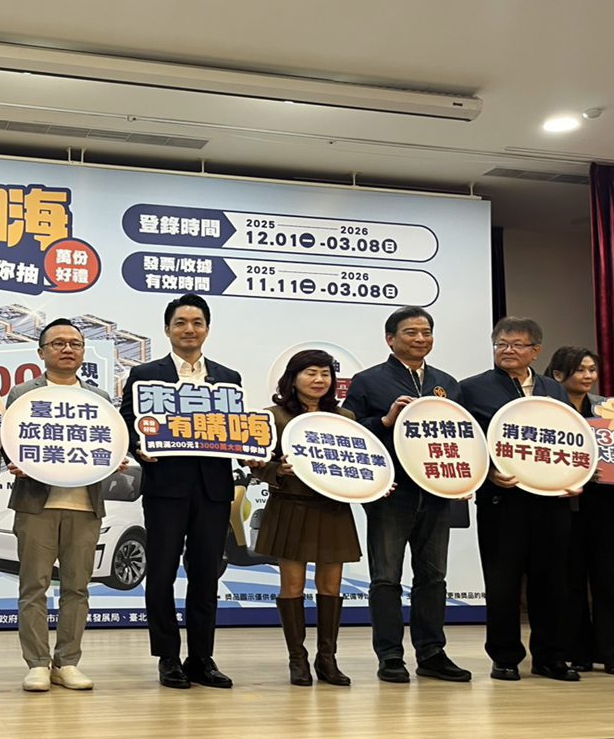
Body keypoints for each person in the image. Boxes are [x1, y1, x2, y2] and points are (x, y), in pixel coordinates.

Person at [342, 307, 472, 684]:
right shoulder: (368, 381)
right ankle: (390, 655)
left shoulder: (447, 383)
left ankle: (432, 652)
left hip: (436, 491)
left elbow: (462, 437)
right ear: (390, 339)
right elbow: (351, 434)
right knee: (386, 577)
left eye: (426, 332)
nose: (420, 339)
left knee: (433, 576)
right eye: (411, 332)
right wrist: (384, 421)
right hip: (391, 493)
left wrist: (464, 478)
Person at [119, 293, 240, 689]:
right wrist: (138, 447)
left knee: (206, 573)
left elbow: (238, 429)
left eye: (197, 322)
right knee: (161, 573)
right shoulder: (145, 374)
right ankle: (168, 657)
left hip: (213, 489)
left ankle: (202, 657)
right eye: (181, 323)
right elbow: (127, 424)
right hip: (165, 486)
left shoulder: (228, 378)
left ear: (207, 329)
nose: (189, 329)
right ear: (167, 329)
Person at [459, 317, 580, 682]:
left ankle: (551, 657)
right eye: (501, 344)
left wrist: (575, 477)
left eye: (517, 344)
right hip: (503, 500)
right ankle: (505, 656)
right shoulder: (472, 388)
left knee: (551, 581)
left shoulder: (553, 390)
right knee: (503, 582)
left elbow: (570, 438)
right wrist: (488, 474)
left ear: (536, 350)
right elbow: (465, 442)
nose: (507, 350)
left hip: (552, 500)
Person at [6, 319, 120, 692]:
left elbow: (110, 442)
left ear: (84, 352)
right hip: (36, 504)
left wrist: (114, 458)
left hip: (85, 505)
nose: (67, 349)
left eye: (75, 343)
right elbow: (9, 440)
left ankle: (67, 661)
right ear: (41, 352)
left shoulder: (99, 398)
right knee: (33, 587)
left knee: (77, 588)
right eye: (58, 343)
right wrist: (14, 461)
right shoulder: (23, 393)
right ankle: (37, 663)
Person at [252, 349, 360, 686]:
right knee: (293, 585)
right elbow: (254, 463)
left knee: (331, 586)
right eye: (310, 373)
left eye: (325, 374)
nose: (319, 380)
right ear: (293, 377)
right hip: (290, 506)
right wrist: (276, 469)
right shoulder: (272, 416)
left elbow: (358, 462)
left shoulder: (345, 417)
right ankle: (297, 659)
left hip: (333, 508)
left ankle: (327, 659)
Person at [544, 346, 614, 676]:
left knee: (610, 577)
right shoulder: (546, 408)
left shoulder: (608, 409)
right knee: (568, 580)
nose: (588, 376)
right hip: (561, 503)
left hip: (605, 503)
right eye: (580, 370)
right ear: (558, 374)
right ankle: (577, 652)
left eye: (592, 370)